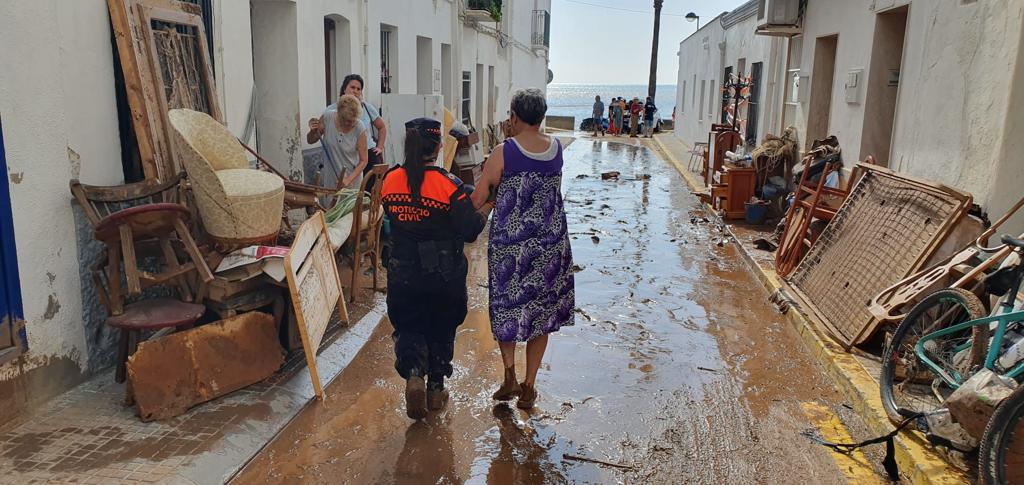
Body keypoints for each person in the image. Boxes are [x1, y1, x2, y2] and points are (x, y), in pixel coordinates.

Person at [471, 88, 575, 410]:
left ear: (514, 116)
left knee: (508, 308)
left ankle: (509, 376)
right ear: (541, 117)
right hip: (549, 245)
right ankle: (530, 386)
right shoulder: (556, 149)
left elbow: (478, 197)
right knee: (540, 315)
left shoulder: (504, 152)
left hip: (511, 249)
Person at [381, 118, 488, 420]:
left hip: (403, 271)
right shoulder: (448, 185)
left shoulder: (391, 180)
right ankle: (435, 389)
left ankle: (414, 372)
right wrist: (486, 206)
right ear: (439, 146)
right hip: (444, 273)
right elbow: (469, 230)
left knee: (410, 324)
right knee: (441, 327)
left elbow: (392, 214)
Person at [308, 74, 388, 175]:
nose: (355, 91)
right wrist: (312, 131)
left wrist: (379, 147)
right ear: (344, 89)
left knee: (368, 189)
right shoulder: (330, 112)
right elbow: (312, 139)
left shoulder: (366, 108)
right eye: (352, 87)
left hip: (367, 155)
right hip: (342, 159)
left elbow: (382, 127)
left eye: (359, 89)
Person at [306, 94, 368, 189]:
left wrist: (348, 180)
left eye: (353, 121)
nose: (351, 124)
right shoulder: (327, 117)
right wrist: (312, 131)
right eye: (347, 121)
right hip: (331, 180)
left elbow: (364, 160)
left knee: (348, 204)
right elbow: (310, 140)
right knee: (330, 203)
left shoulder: (359, 127)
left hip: (351, 181)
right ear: (338, 113)